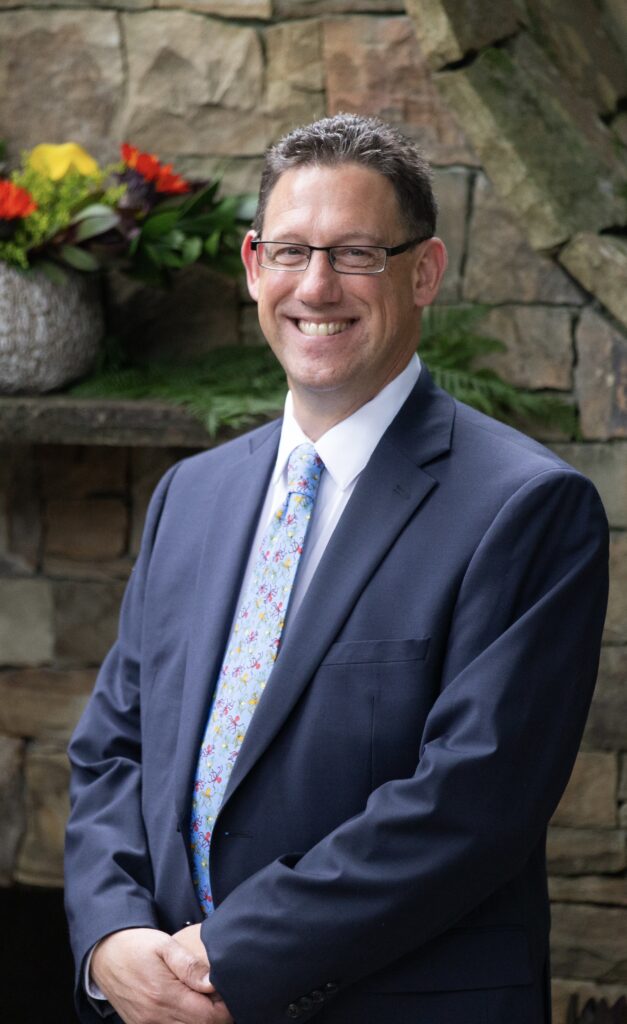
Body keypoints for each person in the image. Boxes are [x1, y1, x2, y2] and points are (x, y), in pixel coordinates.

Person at [65, 113, 609, 1024]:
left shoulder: (526, 508)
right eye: (290, 251)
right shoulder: (188, 498)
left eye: (357, 253)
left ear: (424, 271)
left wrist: (225, 958)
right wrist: (113, 940)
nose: (316, 285)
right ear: (251, 266)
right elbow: (114, 751)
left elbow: (468, 806)